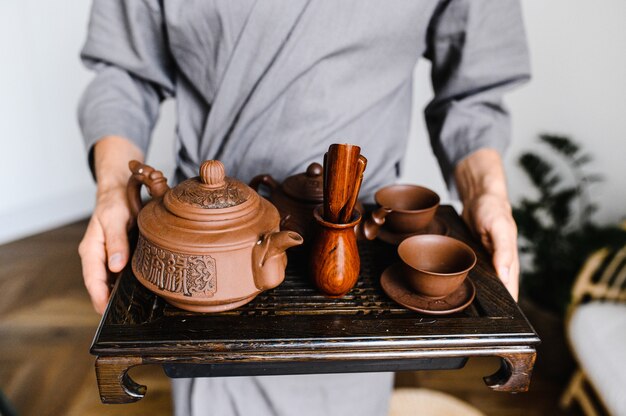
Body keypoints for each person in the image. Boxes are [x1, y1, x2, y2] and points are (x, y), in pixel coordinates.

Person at [77, 1, 529, 415]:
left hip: (357, 257)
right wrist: (114, 188)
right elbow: (124, 72)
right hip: (211, 256)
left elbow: (473, 93)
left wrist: (486, 192)